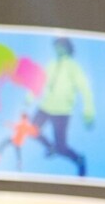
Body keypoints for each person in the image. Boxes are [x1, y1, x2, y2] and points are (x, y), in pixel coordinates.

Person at [32, 36, 95, 176]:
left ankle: (78, 159)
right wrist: (29, 99)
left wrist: (88, 112)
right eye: (56, 46)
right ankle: (50, 147)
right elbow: (40, 83)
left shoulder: (73, 67)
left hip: (62, 111)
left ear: (67, 48)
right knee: (31, 129)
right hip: (45, 107)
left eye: (61, 45)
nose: (58, 48)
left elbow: (84, 89)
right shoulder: (51, 65)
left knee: (61, 147)